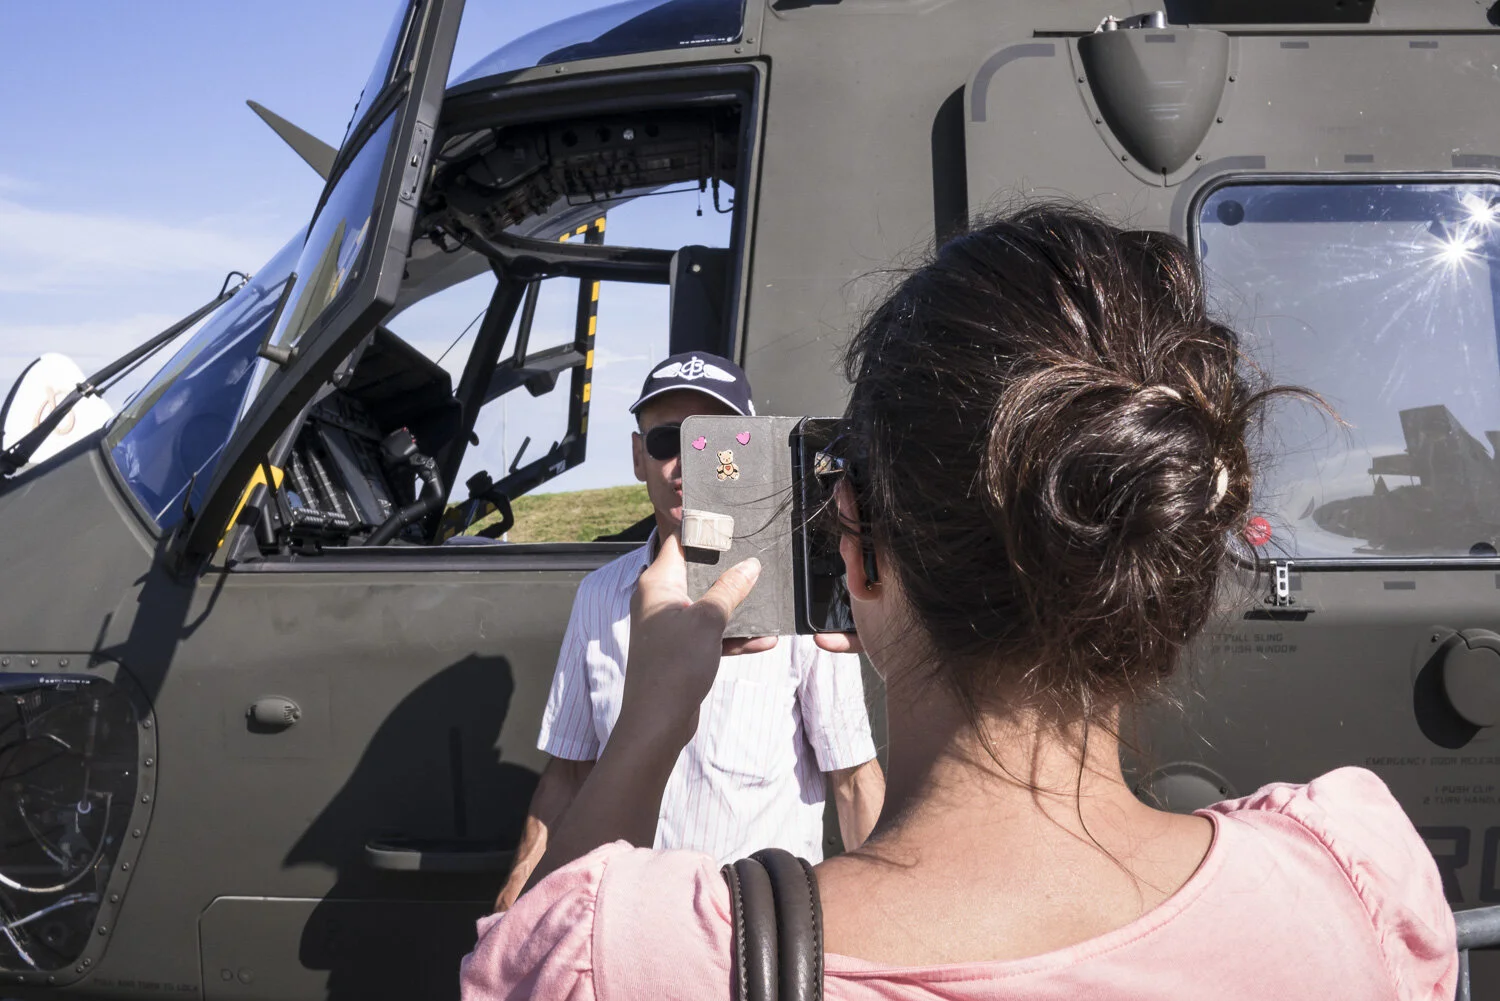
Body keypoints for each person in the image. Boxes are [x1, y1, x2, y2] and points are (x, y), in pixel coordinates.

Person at [465, 208, 1457, 998]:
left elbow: (534, 952)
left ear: (857, 550)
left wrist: (649, 722)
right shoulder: (1353, 881)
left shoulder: (645, 961)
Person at [492, 350, 886, 912]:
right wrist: (515, 902)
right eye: (665, 442)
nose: (687, 463)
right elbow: (569, 773)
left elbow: (851, 778)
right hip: (622, 934)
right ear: (637, 457)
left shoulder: (798, 604)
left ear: (747, 455)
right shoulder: (599, 597)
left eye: (714, 441)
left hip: (754, 947)